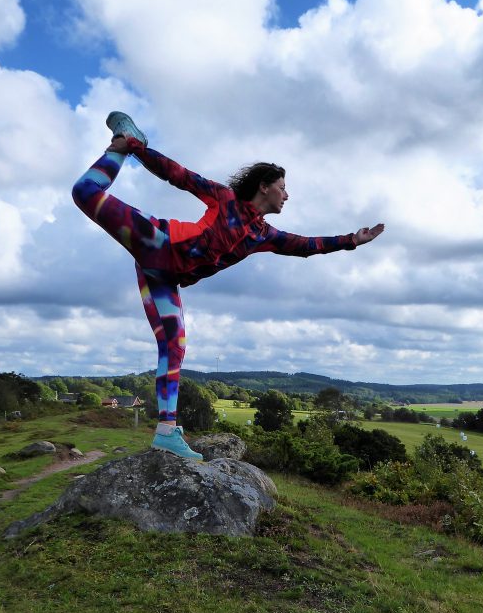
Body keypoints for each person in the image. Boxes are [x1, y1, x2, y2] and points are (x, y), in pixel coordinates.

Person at [71, 112, 385, 460]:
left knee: (174, 347)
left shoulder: (263, 235)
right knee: (85, 191)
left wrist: (351, 240)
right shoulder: (224, 199)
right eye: (282, 187)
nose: (287, 195)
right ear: (264, 186)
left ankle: (166, 432)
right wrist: (137, 149)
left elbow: (305, 246)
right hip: (158, 242)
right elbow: (179, 176)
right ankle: (123, 141)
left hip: (163, 277)